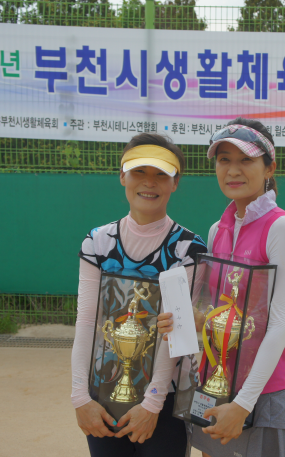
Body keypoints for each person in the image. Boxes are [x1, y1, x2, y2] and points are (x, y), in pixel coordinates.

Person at [71, 133, 208, 457]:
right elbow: (87, 321)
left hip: (166, 399)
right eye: (139, 171)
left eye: (161, 173)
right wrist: (80, 397)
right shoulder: (97, 242)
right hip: (102, 394)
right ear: (122, 176)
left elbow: (174, 332)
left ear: (175, 183)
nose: (149, 182)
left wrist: (153, 403)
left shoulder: (188, 248)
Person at [192, 118, 285, 457]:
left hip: (266, 393)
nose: (233, 170)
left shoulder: (283, 228)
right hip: (218, 387)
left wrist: (243, 404)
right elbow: (212, 312)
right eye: (224, 160)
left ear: (269, 168)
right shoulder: (218, 230)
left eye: (246, 160)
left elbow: (280, 324)